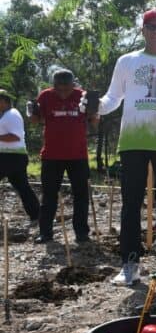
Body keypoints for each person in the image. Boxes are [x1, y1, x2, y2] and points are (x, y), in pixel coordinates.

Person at [90, 8, 156, 286]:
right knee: (130, 204)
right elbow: (112, 98)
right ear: (142, 30)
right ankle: (129, 265)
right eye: (151, 26)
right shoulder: (127, 61)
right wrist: (94, 106)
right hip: (132, 141)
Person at [29, 69, 97, 244]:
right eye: (59, 88)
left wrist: (94, 110)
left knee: (81, 195)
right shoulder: (45, 96)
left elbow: (95, 122)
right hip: (52, 155)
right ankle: (45, 233)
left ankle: (81, 233)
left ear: (73, 84)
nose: (64, 92)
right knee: (49, 195)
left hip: (78, 155)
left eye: (67, 88)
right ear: (54, 86)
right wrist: (32, 112)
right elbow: (35, 121)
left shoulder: (83, 95)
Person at [0, 89, 40, 225]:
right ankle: (37, 215)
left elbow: (15, 136)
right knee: (23, 187)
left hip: (10, 158)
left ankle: (37, 215)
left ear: (4, 101)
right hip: (12, 157)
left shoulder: (11, 115)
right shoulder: (6, 115)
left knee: (23, 187)